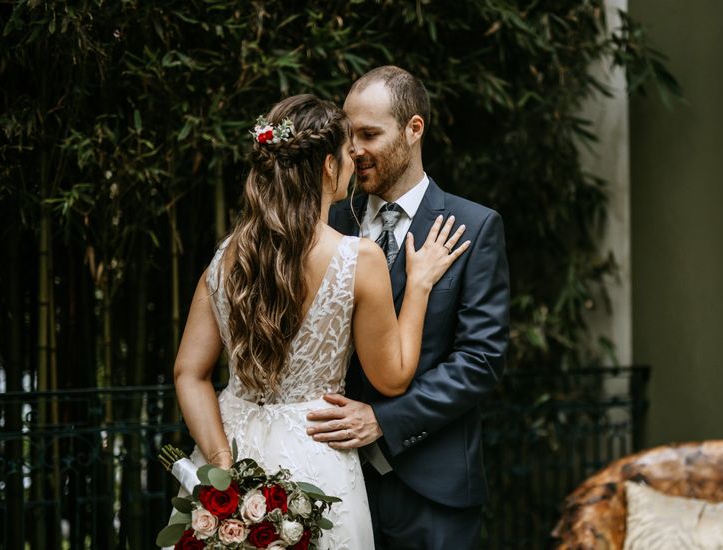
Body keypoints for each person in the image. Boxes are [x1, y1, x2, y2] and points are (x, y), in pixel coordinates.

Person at [172, 94, 470, 549]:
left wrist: (221, 464)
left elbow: (189, 374)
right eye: (349, 154)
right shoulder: (356, 258)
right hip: (315, 456)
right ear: (329, 166)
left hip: (231, 446)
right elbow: (392, 378)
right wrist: (419, 286)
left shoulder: (229, 254)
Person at [312, 66, 511, 549]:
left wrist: (384, 419)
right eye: (348, 136)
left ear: (413, 129)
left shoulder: (473, 226)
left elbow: (480, 361)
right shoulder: (331, 222)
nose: (353, 149)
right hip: (333, 483)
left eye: (369, 134)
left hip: (433, 490)